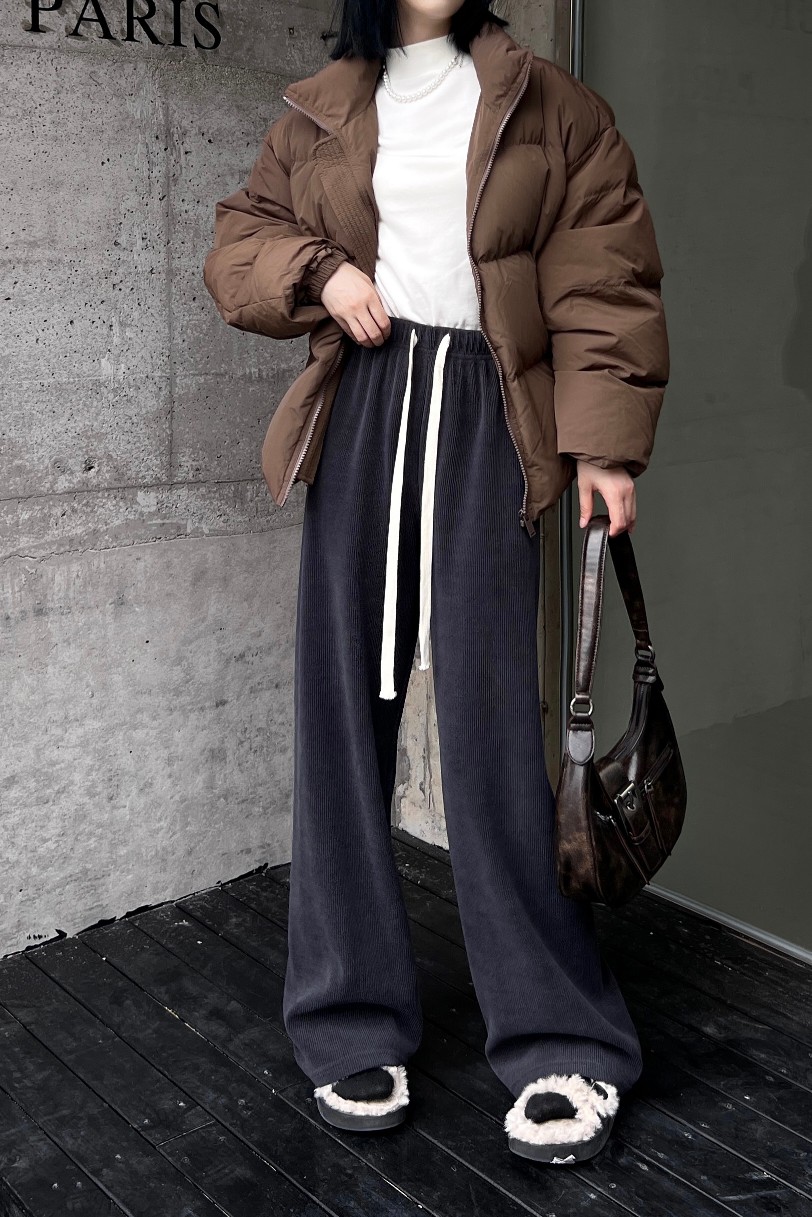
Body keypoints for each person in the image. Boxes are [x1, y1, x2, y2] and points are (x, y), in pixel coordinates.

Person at [203, 0, 669, 1167]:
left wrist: (602, 447)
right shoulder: (320, 109)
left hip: (487, 417)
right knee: (341, 720)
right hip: (362, 407)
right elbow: (238, 243)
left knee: (495, 729)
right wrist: (321, 272)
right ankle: (349, 1015)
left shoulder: (549, 104)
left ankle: (559, 1032)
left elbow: (602, 272)